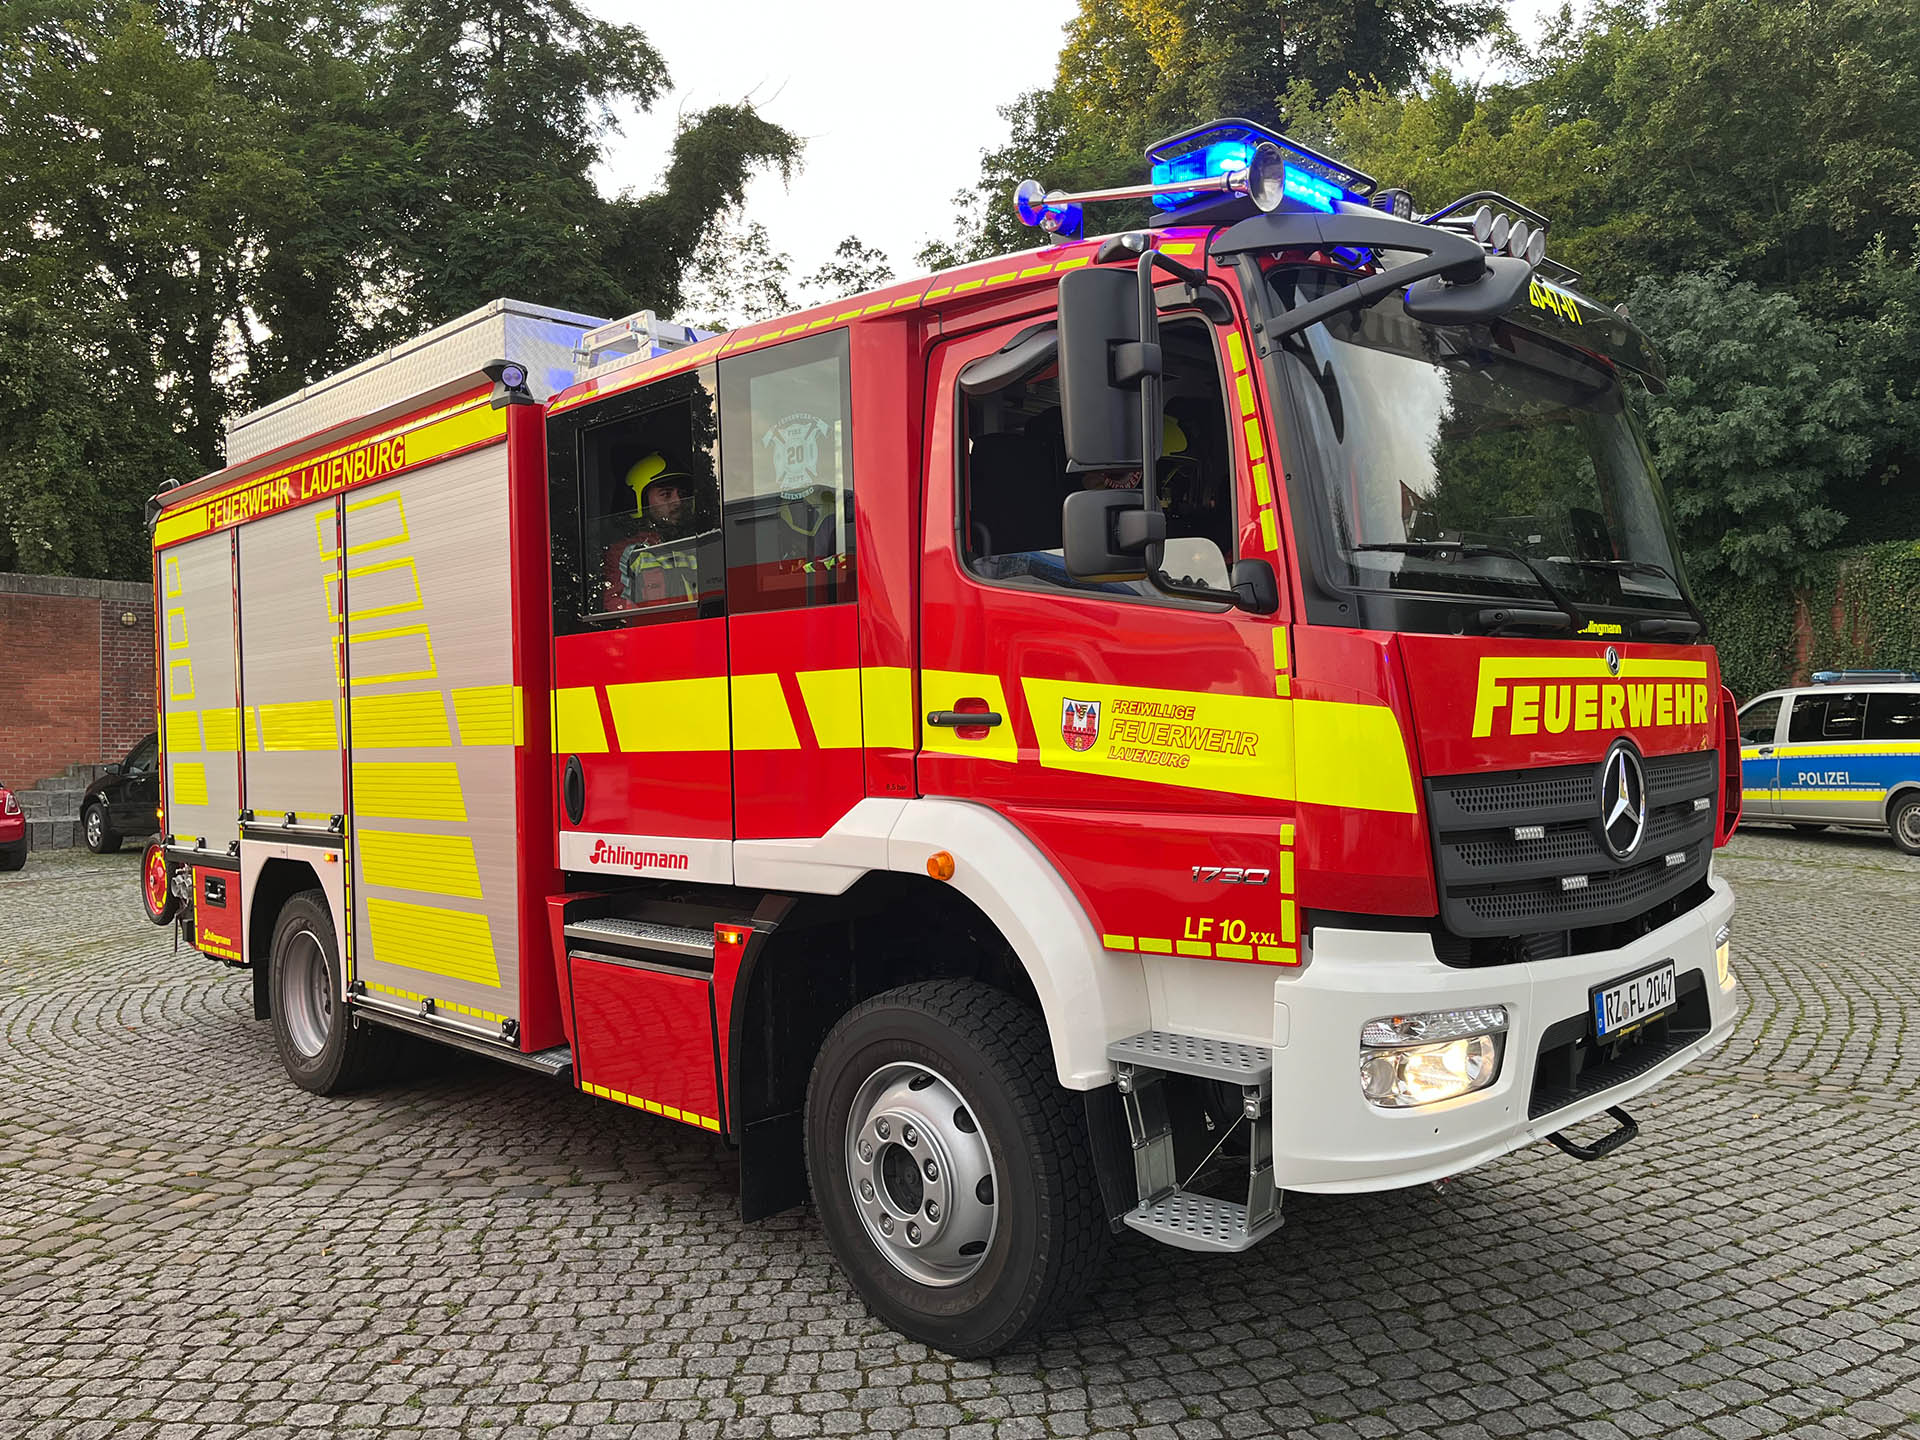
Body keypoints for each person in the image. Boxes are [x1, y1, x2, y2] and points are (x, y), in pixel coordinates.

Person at [600, 453, 705, 611]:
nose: (678, 502)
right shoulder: (629, 554)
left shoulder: (700, 545)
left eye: (682, 494)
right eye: (666, 494)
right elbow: (616, 607)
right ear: (640, 502)